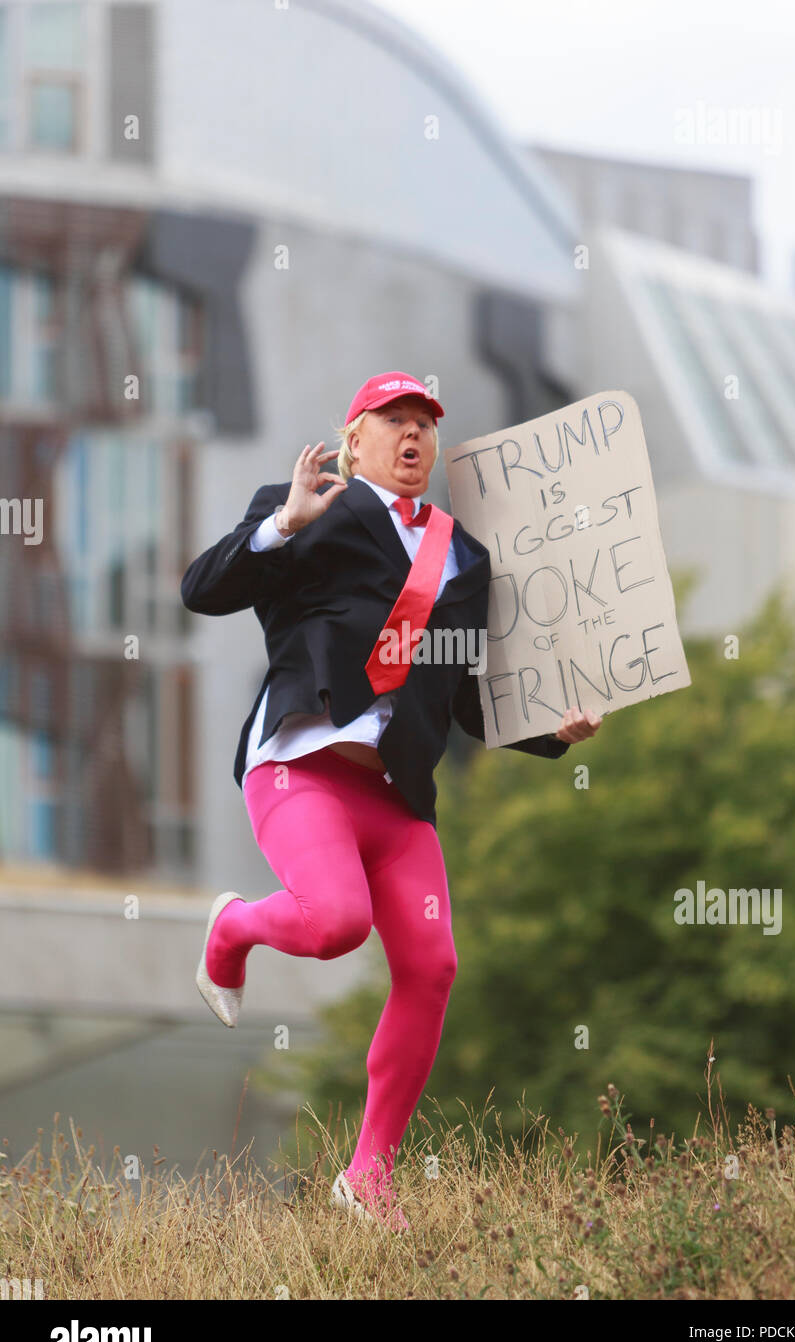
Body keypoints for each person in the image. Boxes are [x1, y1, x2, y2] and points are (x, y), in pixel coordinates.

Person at [180, 372, 602, 1231]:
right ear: (354, 438)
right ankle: (232, 928)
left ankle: (369, 1174)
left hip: (397, 793)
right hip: (302, 761)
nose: (413, 438)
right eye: (394, 422)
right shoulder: (311, 505)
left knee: (434, 967)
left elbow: (463, 703)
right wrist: (279, 526)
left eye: (425, 426)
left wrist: (555, 732)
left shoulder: (465, 559)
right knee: (335, 924)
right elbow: (202, 589)